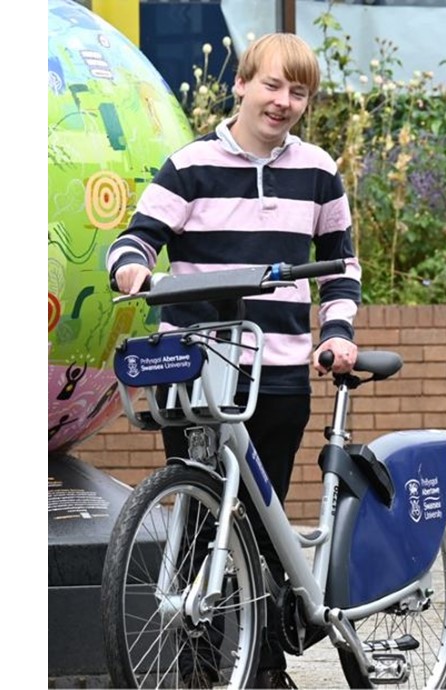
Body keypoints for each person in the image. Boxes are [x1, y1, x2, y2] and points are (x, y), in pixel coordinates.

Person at [107, 32, 361, 689]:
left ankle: (265, 666)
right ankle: (200, 673)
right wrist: (133, 267)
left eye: (298, 92)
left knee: (262, 517)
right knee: (198, 518)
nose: (283, 102)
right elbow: (134, 239)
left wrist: (336, 334)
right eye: (272, 85)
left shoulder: (318, 171)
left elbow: (342, 269)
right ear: (243, 83)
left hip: (278, 370)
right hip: (196, 371)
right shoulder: (189, 165)